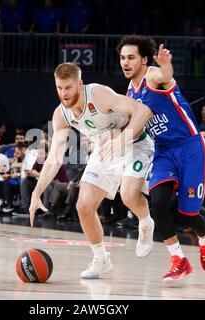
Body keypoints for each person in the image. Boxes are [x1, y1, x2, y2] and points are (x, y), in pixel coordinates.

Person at [29, 63, 154, 279]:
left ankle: (145, 221)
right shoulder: (61, 114)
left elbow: (143, 111)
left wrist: (121, 139)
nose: (63, 93)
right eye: (59, 88)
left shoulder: (99, 94)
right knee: (84, 206)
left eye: (68, 87)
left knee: (129, 195)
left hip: (135, 143)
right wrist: (36, 192)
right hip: (105, 150)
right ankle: (101, 260)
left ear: (79, 83)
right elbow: (55, 156)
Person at [117, 35, 205, 282]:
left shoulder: (153, 76)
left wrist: (165, 64)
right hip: (163, 151)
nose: (125, 63)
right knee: (159, 202)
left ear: (143, 60)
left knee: (188, 216)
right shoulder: (130, 90)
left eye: (131, 58)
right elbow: (138, 125)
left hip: (190, 148)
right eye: (122, 58)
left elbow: (166, 75)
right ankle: (178, 260)